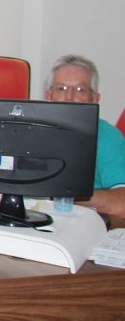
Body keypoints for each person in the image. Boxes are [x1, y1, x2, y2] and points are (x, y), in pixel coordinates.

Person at [43, 55, 125, 218]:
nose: (69, 96)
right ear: (48, 96)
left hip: (80, 222)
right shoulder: (29, 131)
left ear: (95, 99)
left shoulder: (107, 137)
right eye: (61, 88)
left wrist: (66, 194)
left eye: (80, 89)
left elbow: (122, 204)